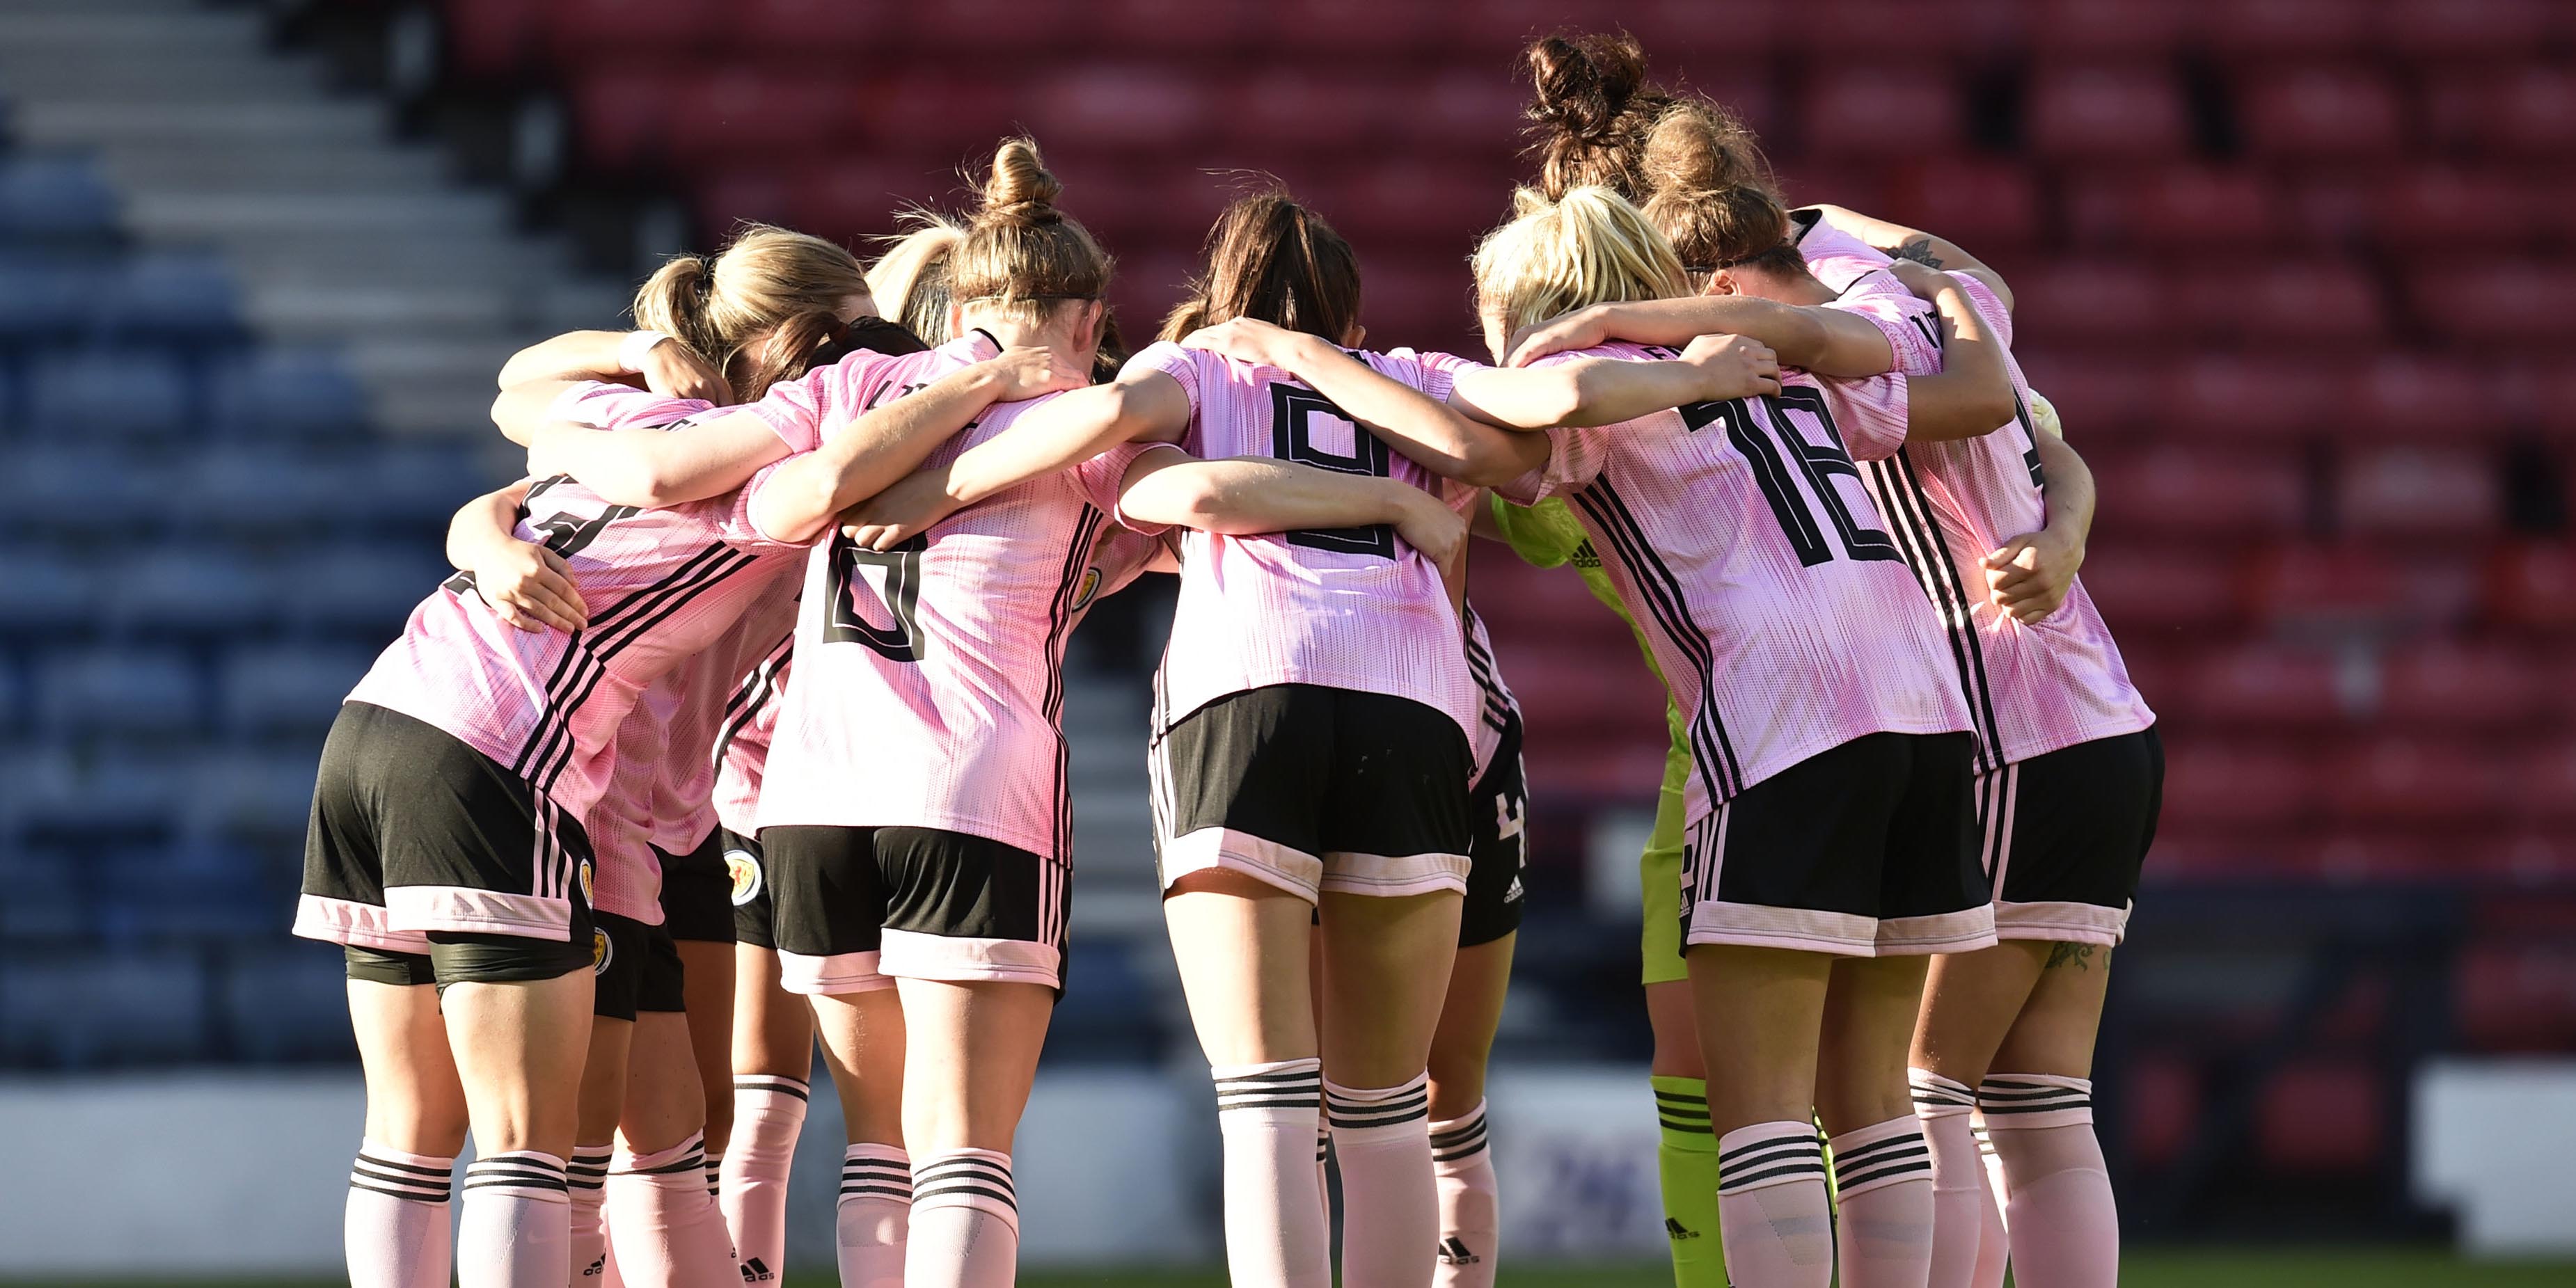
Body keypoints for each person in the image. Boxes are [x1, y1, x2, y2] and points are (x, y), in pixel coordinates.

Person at [841, 186, 1780, 1288]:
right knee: (1389, 1109)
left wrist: (917, 489)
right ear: (1352, 317)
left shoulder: (1190, 372)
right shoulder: (1412, 377)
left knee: (1266, 1105)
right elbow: (1504, 439)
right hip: (1414, 707)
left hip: (1242, 701)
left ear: (1217, 301)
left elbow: (1130, 467)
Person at [1199, 184, 2020, 1288]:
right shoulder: (1769, 361)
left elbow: (1514, 432)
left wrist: (1294, 355)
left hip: (1784, 721)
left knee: (1764, 1114)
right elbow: (1962, 382)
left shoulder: (1591, 401)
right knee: (1875, 1105)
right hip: (1930, 715)